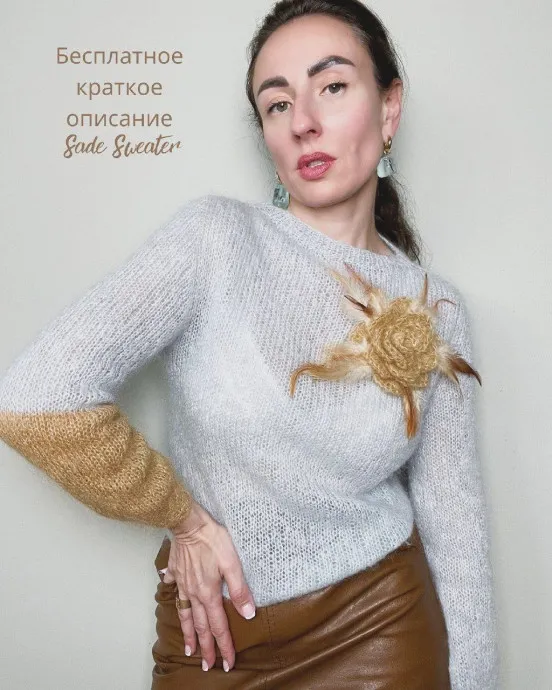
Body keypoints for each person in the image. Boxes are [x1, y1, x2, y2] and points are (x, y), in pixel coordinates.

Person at [0, 0, 499, 688]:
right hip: (214, 642)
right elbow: (35, 399)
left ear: (388, 109)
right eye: (277, 104)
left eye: (332, 86)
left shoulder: (435, 307)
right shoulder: (215, 241)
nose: (303, 122)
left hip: (383, 631)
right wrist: (185, 520)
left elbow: (457, 530)